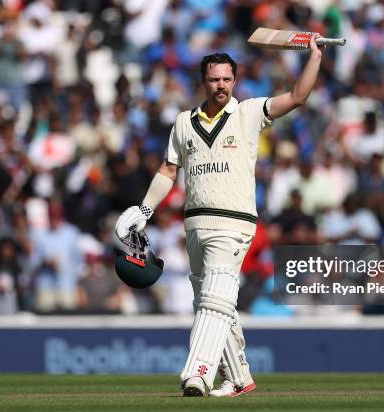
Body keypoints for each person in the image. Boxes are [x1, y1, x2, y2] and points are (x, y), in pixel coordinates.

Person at [115, 36, 323, 397]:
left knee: (215, 298)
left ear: (235, 81)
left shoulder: (248, 113)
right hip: (194, 223)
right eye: (214, 79)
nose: (221, 85)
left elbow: (297, 97)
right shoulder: (183, 122)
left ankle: (198, 372)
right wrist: (145, 210)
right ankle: (240, 377)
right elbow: (168, 170)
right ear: (203, 81)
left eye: (227, 79)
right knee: (212, 300)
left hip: (234, 222)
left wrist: (314, 57)